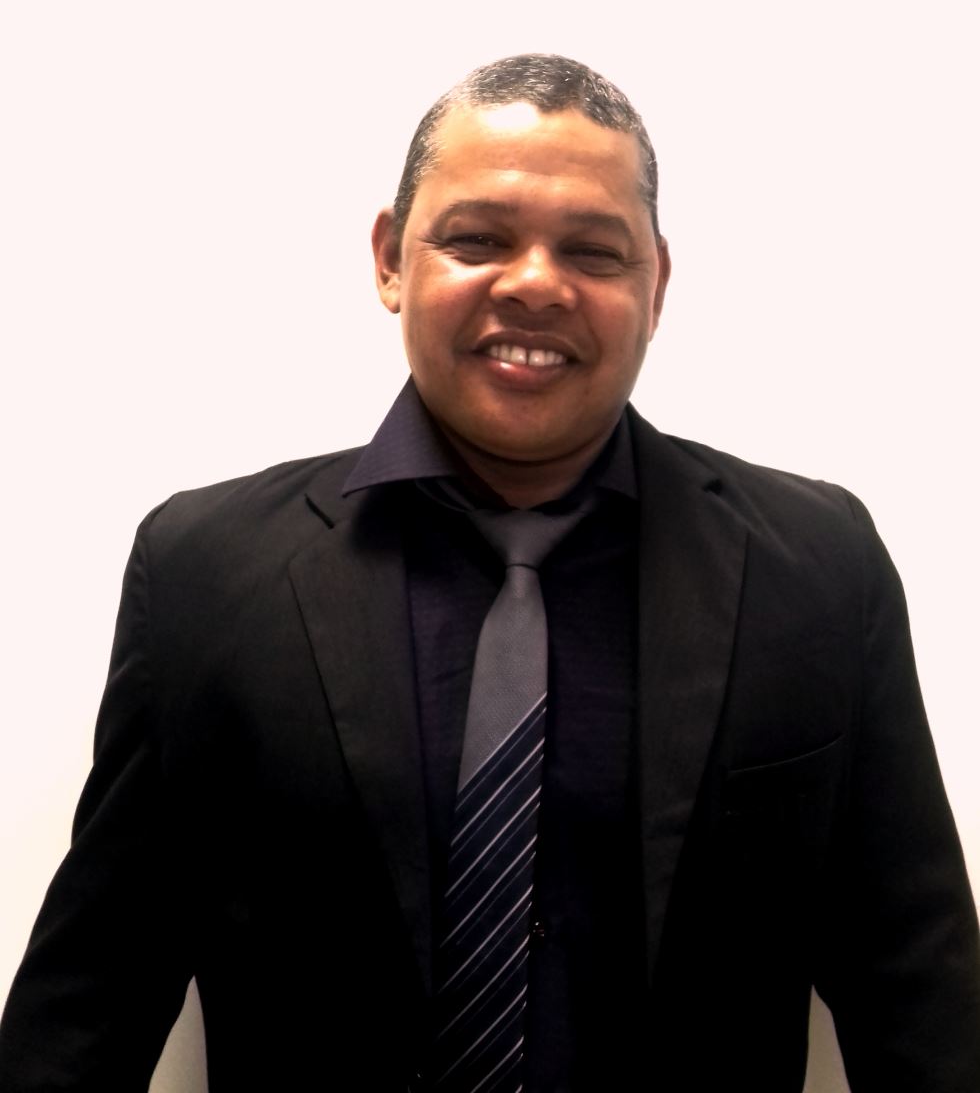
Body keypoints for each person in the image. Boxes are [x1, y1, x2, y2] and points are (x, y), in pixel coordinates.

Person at [0, 54, 977, 1092]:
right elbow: (94, 995)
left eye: (592, 251)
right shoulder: (204, 571)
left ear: (654, 285)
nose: (536, 283)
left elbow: (916, 987)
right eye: (477, 240)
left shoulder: (817, 565)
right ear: (391, 258)